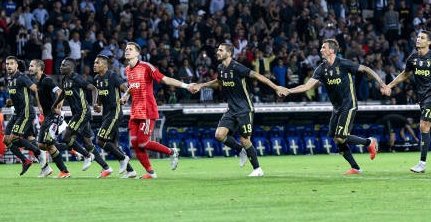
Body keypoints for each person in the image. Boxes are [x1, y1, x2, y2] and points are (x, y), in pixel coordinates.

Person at [277, 39, 381, 175]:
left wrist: (382, 84)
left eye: (323, 47)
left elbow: (366, 69)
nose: (321, 49)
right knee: (336, 139)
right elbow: (307, 86)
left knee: (340, 137)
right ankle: (356, 167)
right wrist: (289, 90)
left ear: (332, 50)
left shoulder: (343, 63)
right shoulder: (321, 68)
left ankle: (369, 142)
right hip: (337, 107)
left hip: (349, 105)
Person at [190, 42, 284, 177]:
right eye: (218, 50)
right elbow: (219, 81)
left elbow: (257, 75)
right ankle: (241, 151)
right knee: (219, 135)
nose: (218, 52)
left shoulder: (237, 67)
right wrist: (201, 85)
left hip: (244, 109)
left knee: (245, 140)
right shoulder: (221, 67)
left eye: (221, 50)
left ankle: (257, 169)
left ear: (229, 53)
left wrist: (276, 88)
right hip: (231, 109)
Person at [383, 30, 431, 173]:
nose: (418, 39)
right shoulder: (413, 58)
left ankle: (422, 163)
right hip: (422, 98)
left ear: (429, 42)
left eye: (422, 38)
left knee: (423, 125)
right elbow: (405, 74)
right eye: (418, 37)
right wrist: (390, 85)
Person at [120, 42, 190, 179]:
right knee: (135, 143)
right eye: (126, 49)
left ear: (137, 53)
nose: (127, 51)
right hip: (135, 110)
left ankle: (171, 151)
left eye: (130, 49)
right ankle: (150, 172)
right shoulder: (127, 70)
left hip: (147, 110)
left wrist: (185, 86)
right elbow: (132, 87)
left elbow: (165, 79)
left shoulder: (146, 67)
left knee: (143, 142)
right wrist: (126, 95)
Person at [53, 57, 114, 178]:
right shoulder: (65, 79)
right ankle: (106, 167)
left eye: (64, 65)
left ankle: (87, 155)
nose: (61, 67)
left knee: (66, 137)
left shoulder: (76, 77)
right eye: (61, 64)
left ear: (71, 67)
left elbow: (93, 88)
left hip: (82, 112)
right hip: (78, 113)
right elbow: (64, 93)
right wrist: (55, 104)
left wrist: (95, 103)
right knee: (88, 143)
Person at [3, 56, 49, 176]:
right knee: (7, 139)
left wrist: (40, 105)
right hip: (17, 113)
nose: (8, 66)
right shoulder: (10, 81)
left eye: (11, 63)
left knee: (13, 138)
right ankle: (36, 164)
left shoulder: (22, 77)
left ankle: (39, 152)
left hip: (26, 113)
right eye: (7, 64)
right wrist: (10, 102)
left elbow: (36, 89)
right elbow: (18, 97)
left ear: (16, 65)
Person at [92, 54, 135, 178]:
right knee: (114, 145)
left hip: (115, 112)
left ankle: (123, 158)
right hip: (106, 113)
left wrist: (125, 97)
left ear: (105, 65)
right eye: (94, 63)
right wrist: (98, 105)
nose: (95, 65)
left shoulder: (112, 76)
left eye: (97, 63)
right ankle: (131, 171)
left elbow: (126, 88)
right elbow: (101, 95)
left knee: (100, 140)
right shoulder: (96, 78)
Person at [28, 59, 71, 178]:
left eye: (32, 66)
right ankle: (72, 147)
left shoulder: (47, 80)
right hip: (47, 116)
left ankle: (65, 171)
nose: (30, 68)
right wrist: (40, 106)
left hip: (53, 117)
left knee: (49, 144)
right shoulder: (38, 82)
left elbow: (60, 92)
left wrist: (58, 107)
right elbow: (38, 93)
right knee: (41, 145)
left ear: (39, 68)